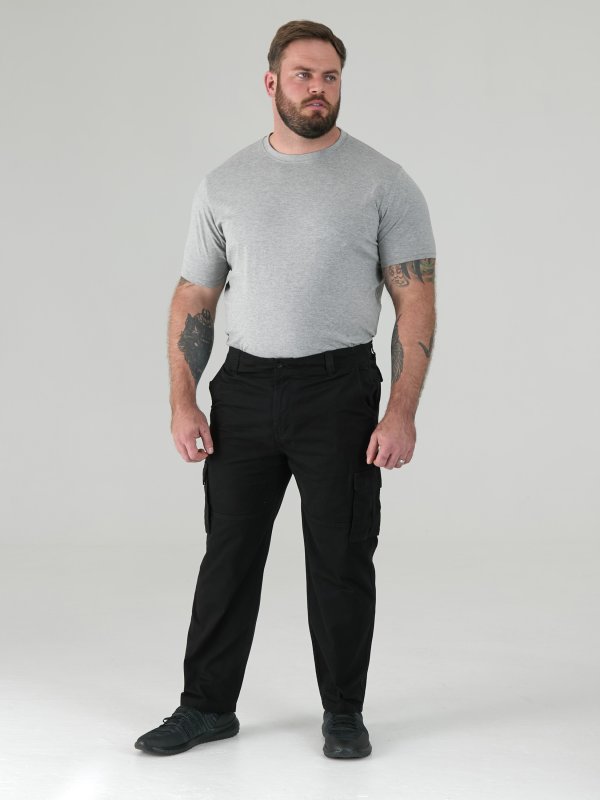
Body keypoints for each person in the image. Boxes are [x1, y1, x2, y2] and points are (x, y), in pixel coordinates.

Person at [135, 19, 436, 760]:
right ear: (272, 82)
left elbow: (415, 301)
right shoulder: (225, 183)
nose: (317, 89)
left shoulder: (383, 181)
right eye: (303, 74)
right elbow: (194, 296)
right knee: (229, 555)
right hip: (243, 389)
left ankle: (343, 714)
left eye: (330, 76)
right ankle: (206, 708)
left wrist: (400, 410)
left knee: (340, 558)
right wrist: (183, 399)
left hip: (338, 391)